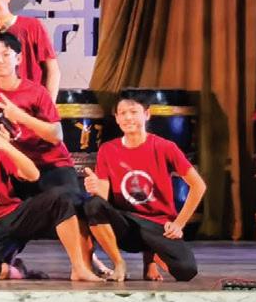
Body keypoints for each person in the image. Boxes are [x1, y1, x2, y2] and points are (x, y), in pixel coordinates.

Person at [0, 100, 102, 281]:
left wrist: (6, 146)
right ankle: (20, 271)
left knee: (62, 196)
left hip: (14, 216)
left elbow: (33, 175)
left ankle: (79, 267)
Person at [83, 91, 203, 282]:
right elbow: (103, 199)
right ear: (116, 118)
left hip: (158, 226)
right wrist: (95, 188)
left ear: (147, 114)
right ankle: (119, 263)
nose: (128, 117)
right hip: (126, 224)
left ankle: (152, 259)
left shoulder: (165, 147)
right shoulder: (108, 150)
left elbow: (198, 185)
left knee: (186, 270)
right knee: (93, 205)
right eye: (122, 113)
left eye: (133, 112)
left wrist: (179, 224)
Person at [0, 33, 77, 199]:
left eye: (6, 55)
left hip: (51, 164)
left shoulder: (36, 92)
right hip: (15, 166)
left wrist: (21, 116)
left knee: (67, 202)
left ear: (18, 59)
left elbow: (56, 135)